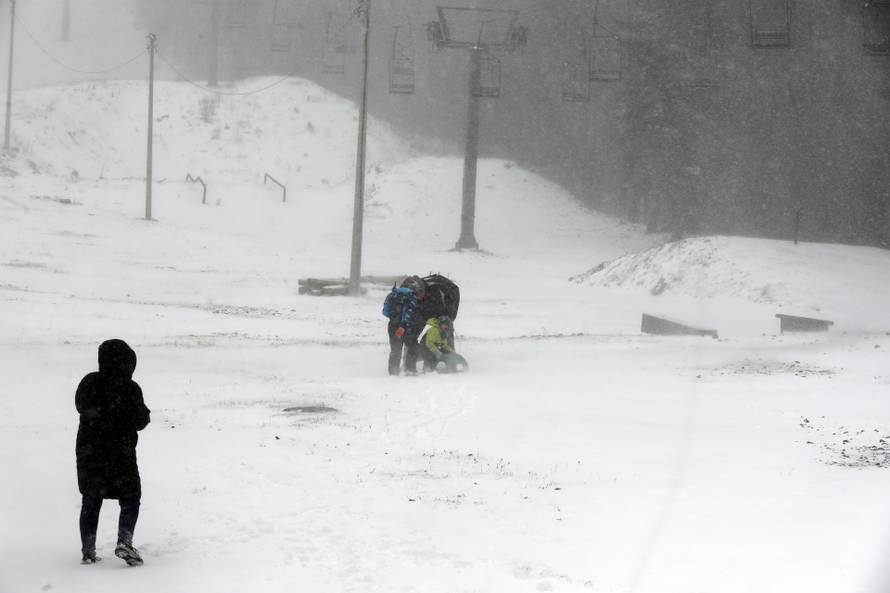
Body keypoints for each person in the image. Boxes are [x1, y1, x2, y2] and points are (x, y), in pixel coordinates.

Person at [75, 339, 151, 566]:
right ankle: (124, 541)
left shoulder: (89, 382)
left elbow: (80, 406)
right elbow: (140, 420)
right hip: (121, 453)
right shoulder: (130, 388)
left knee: (91, 498)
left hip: (89, 453)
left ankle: (88, 551)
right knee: (131, 497)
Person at [382, 275, 426, 375]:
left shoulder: (391, 295)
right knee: (413, 347)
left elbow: (385, 312)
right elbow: (409, 314)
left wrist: (395, 318)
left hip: (393, 326)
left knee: (395, 350)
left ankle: (393, 372)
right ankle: (410, 370)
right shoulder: (412, 298)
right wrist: (403, 326)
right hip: (406, 328)